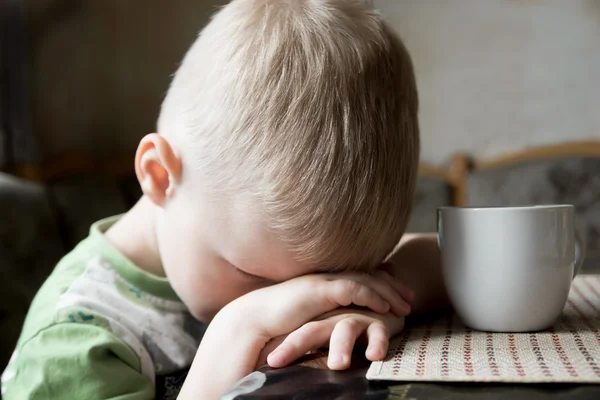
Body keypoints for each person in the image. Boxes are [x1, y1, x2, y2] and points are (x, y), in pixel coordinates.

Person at [1, 0, 448, 398]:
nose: (289, 302)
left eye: (328, 280)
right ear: (159, 175)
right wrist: (235, 332)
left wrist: (377, 292)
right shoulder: (75, 347)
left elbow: (447, 259)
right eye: (252, 274)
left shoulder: (259, 244)